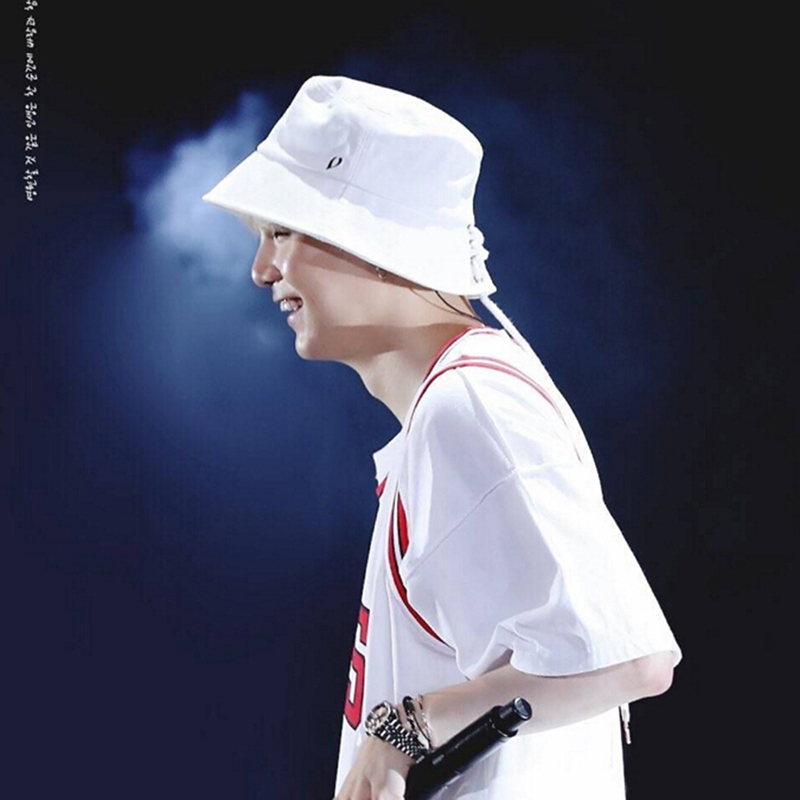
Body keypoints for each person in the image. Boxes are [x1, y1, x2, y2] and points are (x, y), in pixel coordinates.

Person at [201, 74, 683, 800]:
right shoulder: (461, 402)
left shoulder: (471, 404)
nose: (261, 269)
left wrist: (404, 728)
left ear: (375, 235)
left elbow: (629, 660)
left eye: (284, 231)